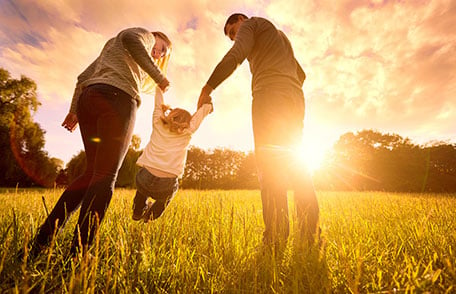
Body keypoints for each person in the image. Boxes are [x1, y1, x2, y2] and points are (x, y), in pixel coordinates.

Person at [29, 27, 172, 257]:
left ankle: (40, 243)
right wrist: (160, 77)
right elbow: (130, 37)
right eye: (161, 47)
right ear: (155, 37)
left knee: (91, 174)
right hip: (118, 100)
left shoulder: (112, 49)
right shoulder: (143, 35)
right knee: (106, 175)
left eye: (163, 54)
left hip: (90, 99)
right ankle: (79, 253)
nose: (159, 53)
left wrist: (74, 110)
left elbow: (83, 78)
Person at [198, 14, 319, 245]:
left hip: (269, 96)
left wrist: (208, 88)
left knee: (271, 166)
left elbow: (236, 55)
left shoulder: (252, 24)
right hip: (294, 98)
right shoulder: (280, 36)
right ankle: (309, 236)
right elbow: (301, 74)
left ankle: (275, 238)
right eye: (232, 36)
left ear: (241, 20)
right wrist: (286, 86)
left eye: (234, 32)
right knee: (298, 166)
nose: (235, 38)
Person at [132, 88, 213, 222]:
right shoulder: (188, 130)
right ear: (188, 121)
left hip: (144, 178)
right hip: (166, 184)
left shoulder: (158, 122)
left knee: (142, 190)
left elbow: (158, 103)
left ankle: (137, 211)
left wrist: (159, 88)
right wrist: (208, 106)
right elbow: (200, 115)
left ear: (171, 115)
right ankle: (151, 216)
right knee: (167, 196)